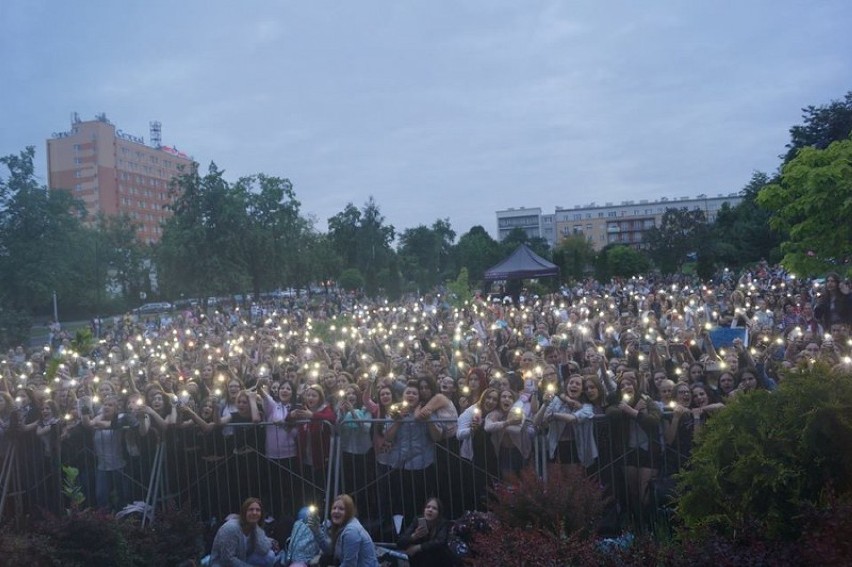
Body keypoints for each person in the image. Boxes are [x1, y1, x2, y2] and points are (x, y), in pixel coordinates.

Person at [309, 494, 378, 567]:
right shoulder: (342, 527)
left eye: (341, 509)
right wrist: (316, 530)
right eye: (334, 508)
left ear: (349, 512)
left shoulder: (351, 530)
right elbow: (330, 551)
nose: (336, 511)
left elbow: (349, 565)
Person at [209, 497, 277, 567]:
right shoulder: (231, 528)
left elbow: (264, 550)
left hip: (242, 559)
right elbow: (227, 559)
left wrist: (256, 528)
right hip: (222, 564)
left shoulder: (254, 527)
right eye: (251, 510)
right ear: (244, 512)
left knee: (270, 556)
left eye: (258, 510)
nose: (254, 513)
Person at [396, 497, 453, 567]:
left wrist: (418, 548)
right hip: (418, 562)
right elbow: (400, 541)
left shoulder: (443, 523)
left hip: (438, 562)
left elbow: (440, 542)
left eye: (434, 508)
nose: (430, 510)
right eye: (428, 507)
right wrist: (414, 536)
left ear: (439, 513)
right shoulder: (417, 521)